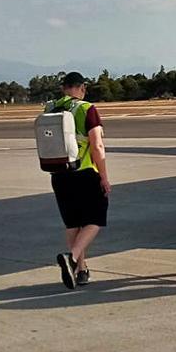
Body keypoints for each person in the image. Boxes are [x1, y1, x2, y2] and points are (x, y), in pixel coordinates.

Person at [48, 71, 110, 289]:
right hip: (83, 172)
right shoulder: (86, 108)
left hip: (58, 175)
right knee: (96, 217)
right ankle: (72, 257)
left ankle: (80, 270)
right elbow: (97, 146)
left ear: (63, 88)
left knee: (72, 223)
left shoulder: (51, 109)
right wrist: (104, 176)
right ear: (81, 87)